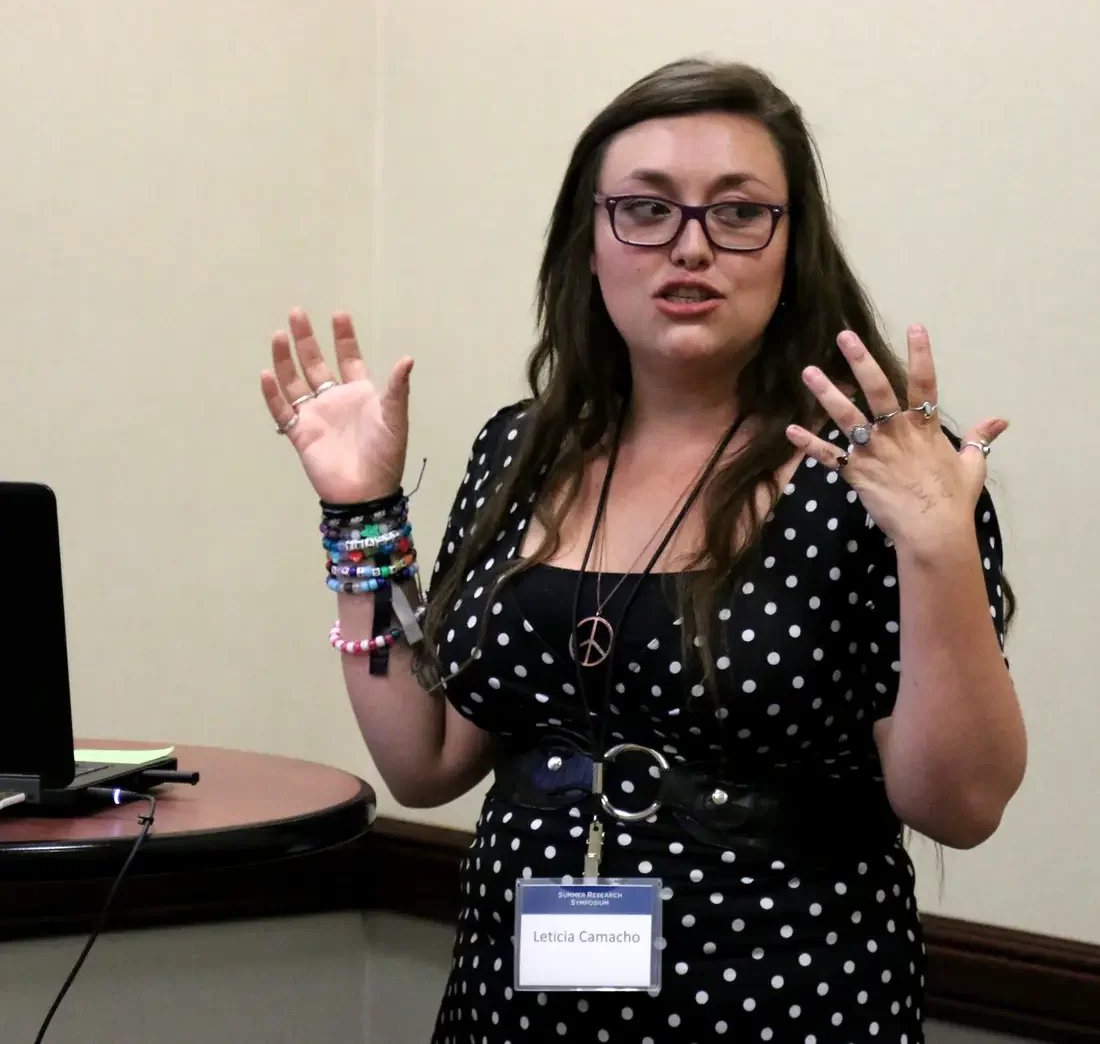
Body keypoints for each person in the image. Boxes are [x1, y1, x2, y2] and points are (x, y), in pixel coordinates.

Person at [260, 58, 1026, 1043]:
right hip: (514, 996)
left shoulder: (884, 472)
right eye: (646, 209)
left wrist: (936, 549)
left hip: (785, 998)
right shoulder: (517, 448)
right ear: (590, 241)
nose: (690, 247)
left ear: (792, 246)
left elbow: (959, 804)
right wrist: (361, 520)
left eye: (738, 212)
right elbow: (423, 754)